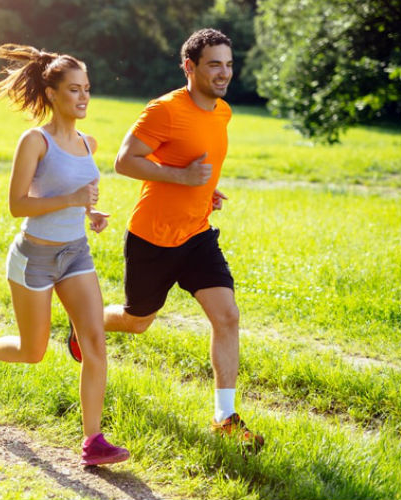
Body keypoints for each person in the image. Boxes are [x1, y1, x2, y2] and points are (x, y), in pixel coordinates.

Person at [66, 29, 264, 449]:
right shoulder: (164, 110)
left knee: (227, 316)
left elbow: (194, 164)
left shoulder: (223, 113)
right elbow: (124, 161)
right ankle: (84, 325)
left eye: (228, 64)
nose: (224, 72)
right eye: (214, 64)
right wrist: (182, 178)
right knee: (138, 322)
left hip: (196, 234)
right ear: (189, 67)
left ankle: (224, 416)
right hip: (152, 238)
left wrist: (204, 192)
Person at [0, 43, 130, 466]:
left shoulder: (87, 143)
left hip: (75, 254)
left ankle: (93, 440)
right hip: (34, 257)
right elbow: (18, 205)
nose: (83, 97)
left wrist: (91, 212)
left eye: (88, 89)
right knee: (32, 350)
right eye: (74, 89)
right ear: (53, 93)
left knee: (95, 344)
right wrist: (71, 199)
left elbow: (82, 192)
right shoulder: (34, 141)